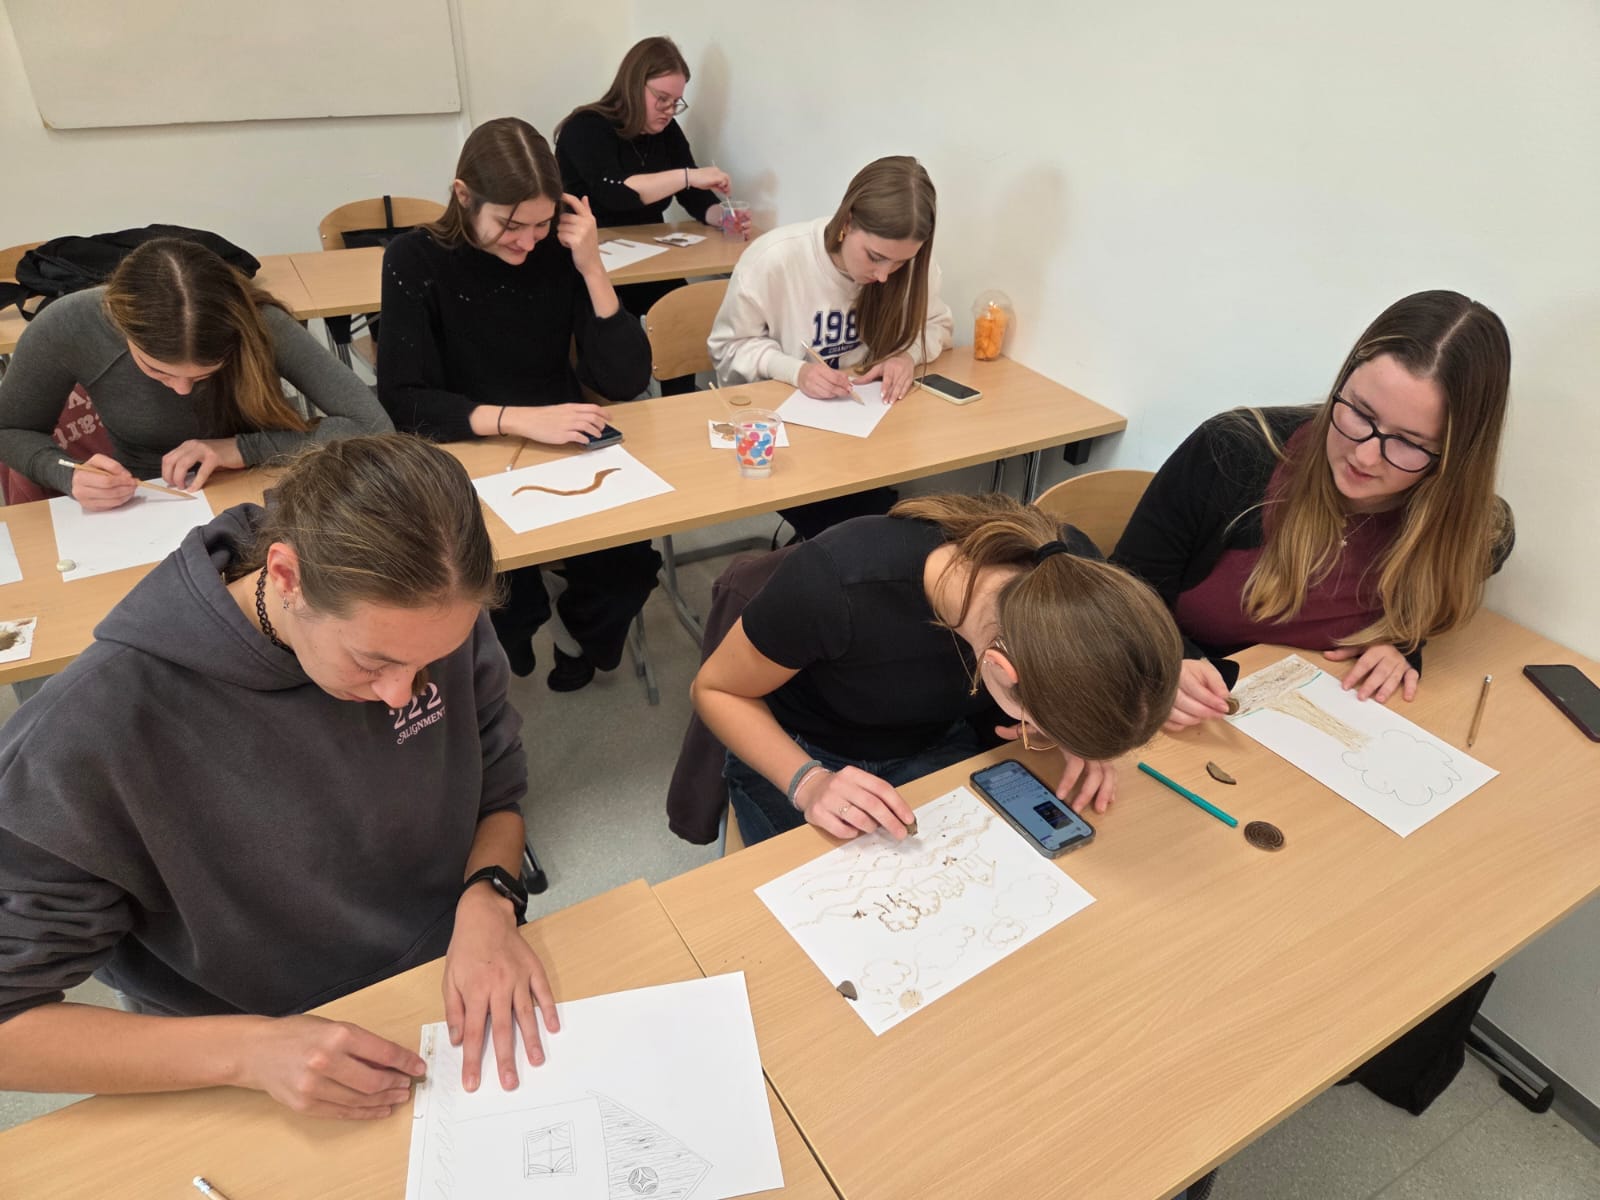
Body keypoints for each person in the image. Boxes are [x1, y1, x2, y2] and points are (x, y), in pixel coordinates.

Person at [0, 434, 556, 1116]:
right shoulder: (91, 730)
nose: (400, 694)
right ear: (286, 577)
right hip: (241, 1056)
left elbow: (497, 785)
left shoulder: (426, 622)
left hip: (446, 973)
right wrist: (248, 1052)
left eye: (427, 663)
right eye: (373, 662)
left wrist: (490, 896)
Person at [1112, 290, 1514, 731]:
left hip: (1308, 725)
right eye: (1360, 412)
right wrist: (1165, 662)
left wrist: (1401, 645)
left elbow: (1431, 598)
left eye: (1409, 442)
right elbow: (1119, 594)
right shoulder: (1231, 452)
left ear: (1454, 459)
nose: (1365, 457)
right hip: (1187, 718)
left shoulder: (1474, 533)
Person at [690, 494, 1183, 845]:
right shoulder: (841, 580)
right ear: (997, 667)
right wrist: (809, 782)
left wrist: (1081, 729)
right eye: (1039, 727)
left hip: (934, 739)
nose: (1040, 735)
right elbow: (715, 690)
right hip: (803, 748)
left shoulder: (1072, 571)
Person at [378, 116, 660, 692]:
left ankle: (573, 627)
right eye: (511, 225)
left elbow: (627, 378)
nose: (528, 242)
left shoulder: (559, 252)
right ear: (463, 195)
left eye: (541, 223)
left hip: (563, 443)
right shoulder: (415, 259)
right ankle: (526, 624)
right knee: (500, 593)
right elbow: (405, 401)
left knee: (630, 568)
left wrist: (593, 266)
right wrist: (519, 420)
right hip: (466, 447)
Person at [0, 238, 391, 510]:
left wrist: (239, 449)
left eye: (204, 375)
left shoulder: (260, 323)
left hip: (265, 486)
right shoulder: (71, 323)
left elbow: (373, 427)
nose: (183, 390)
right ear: (121, 327)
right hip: (145, 502)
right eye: (158, 370)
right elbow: (9, 429)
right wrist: (66, 473)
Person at [708, 155, 955, 536]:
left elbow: (938, 325)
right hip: (790, 442)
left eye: (899, 263)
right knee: (865, 533)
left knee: (901, 528)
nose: (884, 275)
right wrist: (797, 371)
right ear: (847, 223)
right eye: (875, 257)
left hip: (869, 439)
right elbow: (728, 348)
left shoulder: (911, 265)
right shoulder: (776, 259)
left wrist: (907, 356)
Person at [555, 35, 747, 393]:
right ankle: (609, 401)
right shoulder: (585, 127)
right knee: (613, 352)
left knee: (681, 316)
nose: (669, 110)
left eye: (676, 103)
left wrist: (720, 216)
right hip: (590, 258)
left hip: (648, 256)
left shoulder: (667, 132)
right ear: (633, 85)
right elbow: (614, 192)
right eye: (661, 99)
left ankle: (682, 402)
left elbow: (693, 194)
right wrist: (687, 176)